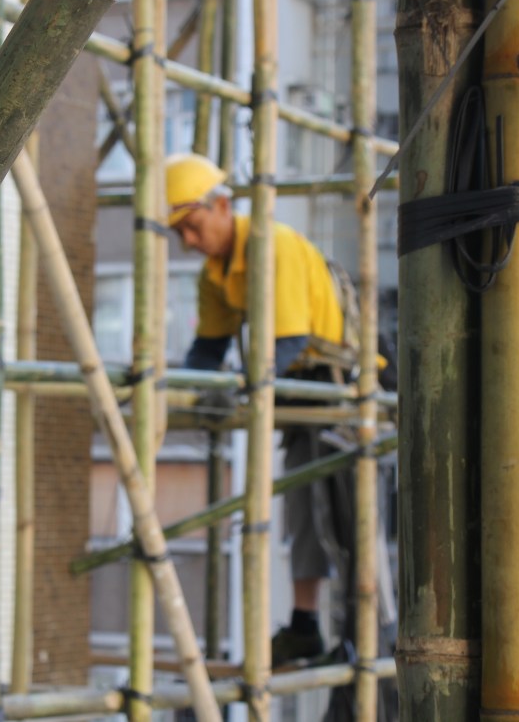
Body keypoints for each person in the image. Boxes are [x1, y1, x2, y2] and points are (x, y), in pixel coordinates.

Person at [165, 152, 347, 666]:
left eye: (194, 227)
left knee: (343, 511)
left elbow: (288, 341)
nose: (190, 243)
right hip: (289, 388)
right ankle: (307, 625)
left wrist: (238, 390)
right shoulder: (215, 273)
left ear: (222, 205)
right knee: (302, 508)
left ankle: (364, 628)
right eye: (180, 234)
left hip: (329, 382)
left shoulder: (272, 244)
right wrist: (180, 392)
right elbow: (206, 350)